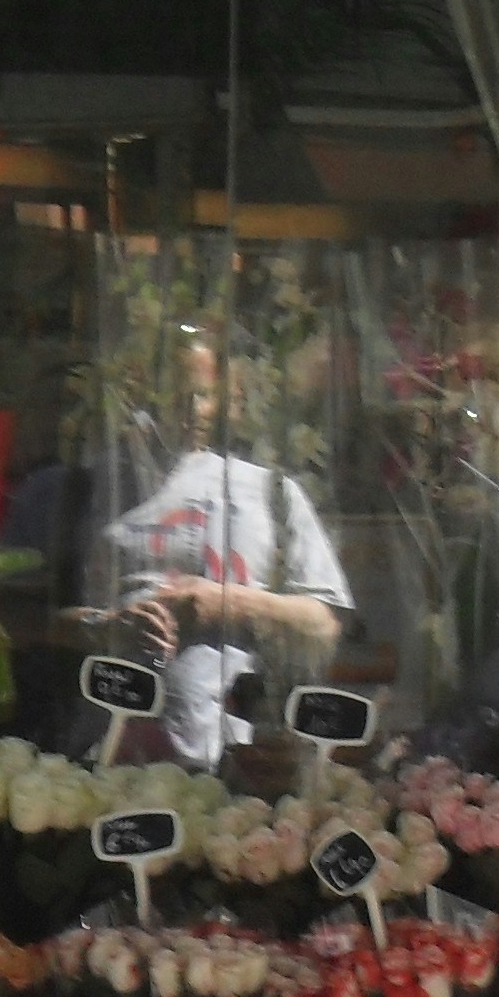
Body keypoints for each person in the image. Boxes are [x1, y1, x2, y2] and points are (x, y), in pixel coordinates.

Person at [104, 326, 356, 764]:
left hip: (233, 767)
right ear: (137, 393)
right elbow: (26, 620)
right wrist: (105, 627)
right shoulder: (88, 489)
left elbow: (323, 626)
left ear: (226, 401)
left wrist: (226, 603)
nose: (187, 413)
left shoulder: (270, 492)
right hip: (104, 760)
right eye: (171, 396)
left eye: (200, 396)